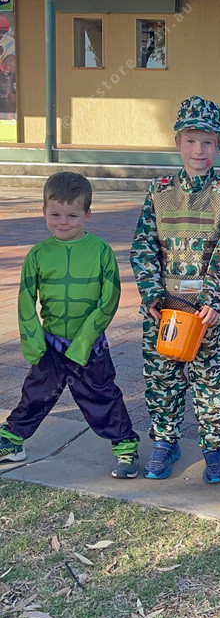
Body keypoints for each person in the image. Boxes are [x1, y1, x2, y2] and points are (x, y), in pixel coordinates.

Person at [130, 96, 220, 484]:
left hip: (207, 313)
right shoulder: (159, 190)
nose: (199, 150)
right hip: (164, 309)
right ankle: (165, 442)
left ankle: (213, 447)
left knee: (209, 380)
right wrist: (151, 293)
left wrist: (214, 299)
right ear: (178, 141)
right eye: (191, 140)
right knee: (162, 378)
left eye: (208, 142)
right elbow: (143, 244)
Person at [0, 172, 139, 478]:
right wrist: (33, 341)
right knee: (35, 393)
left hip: (90, 345)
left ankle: (125, 447)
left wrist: (85, 339)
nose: (63, 222)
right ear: (43, 211)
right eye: (55, 215)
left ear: (87, 214)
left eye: (72, 215)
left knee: (101, 395)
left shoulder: (101, 251)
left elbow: (109, 298)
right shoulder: (37, 254)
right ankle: (12, 441)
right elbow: (25, 299)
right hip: (51, 342)